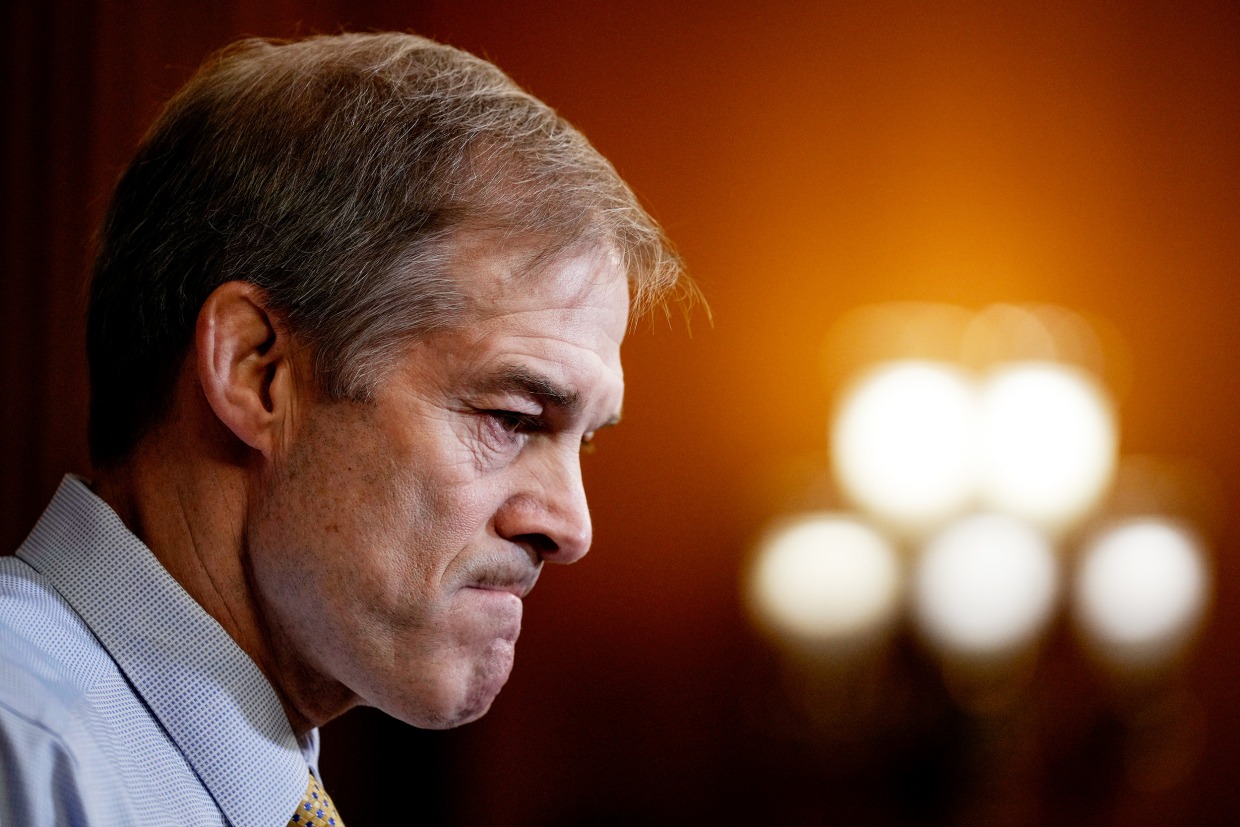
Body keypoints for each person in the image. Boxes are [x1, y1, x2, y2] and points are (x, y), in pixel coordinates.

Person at [0, 32, 687, 826]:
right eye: (514, 417)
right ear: (258, 372)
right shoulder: (22, 746)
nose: (572, 527)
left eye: (587, 439)